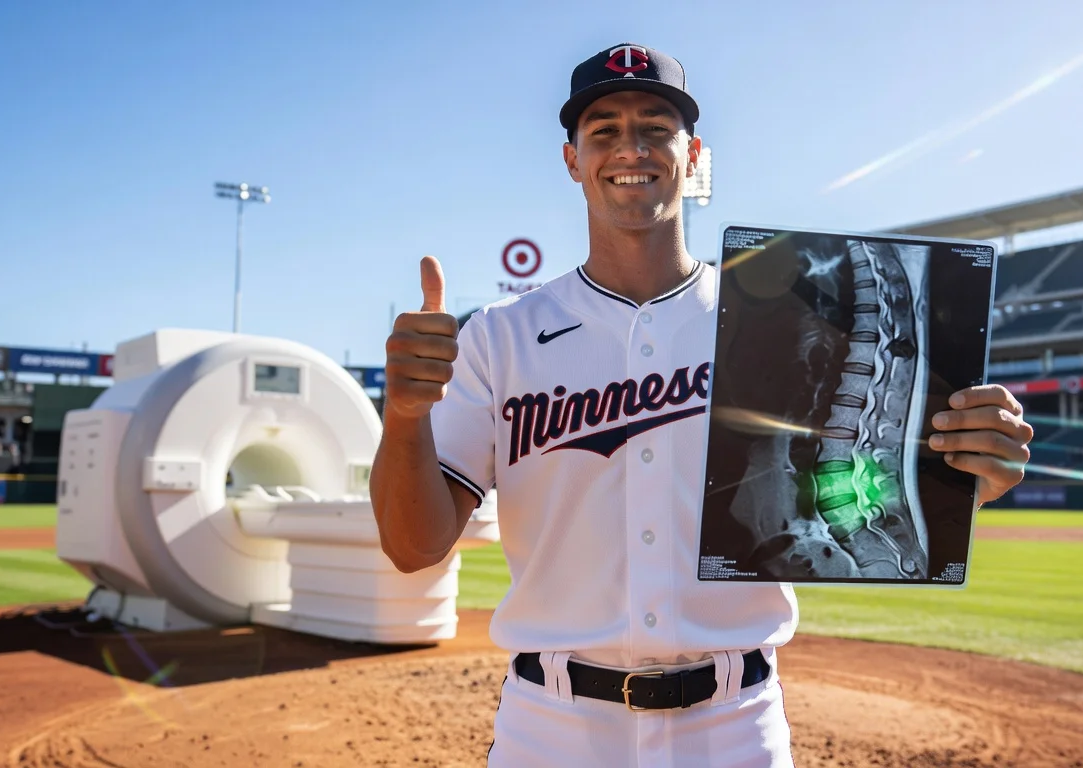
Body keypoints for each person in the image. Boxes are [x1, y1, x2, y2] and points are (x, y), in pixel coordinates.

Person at [370, 42, 1034, 768]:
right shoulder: (501, 336)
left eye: (657, 127)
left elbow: (868, 479)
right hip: (550, 729)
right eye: (605, 130)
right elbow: (414, 546)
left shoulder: (789, 323)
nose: (632, 147)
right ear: (572, 160)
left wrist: (966, 468)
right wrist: (403, 418)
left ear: (693, 157)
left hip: (734, 726)